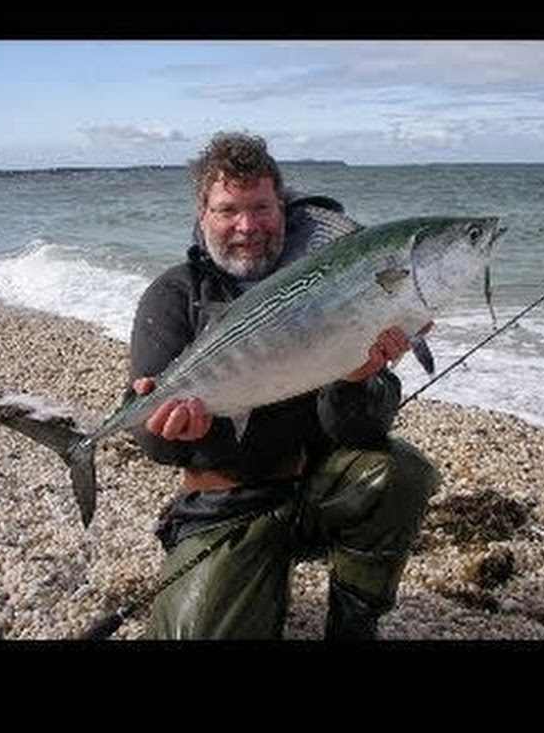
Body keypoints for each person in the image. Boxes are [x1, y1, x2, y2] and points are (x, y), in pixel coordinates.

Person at [128, 131, 439, 640]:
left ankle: (353, 627)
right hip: (226, 508)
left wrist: (355, 381)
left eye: (262, 208)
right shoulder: (174, 295)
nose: (247, 226)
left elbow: (366, 430)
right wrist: (173, 432)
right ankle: (252, 578)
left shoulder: (332, 284)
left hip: (319, 492)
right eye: (228, 210)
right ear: (202, 215)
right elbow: (150, 439)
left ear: (283, 209)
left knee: (399, 473)